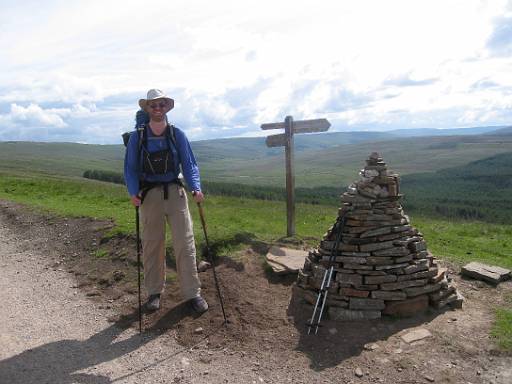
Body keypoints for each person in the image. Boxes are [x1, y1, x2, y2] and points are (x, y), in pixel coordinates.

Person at [124, 88, 208, 314]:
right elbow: (130, 168)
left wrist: (196, 188)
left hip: (175, 192)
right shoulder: (137, 137)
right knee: (152, 244)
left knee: (185, 243)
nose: (157, 109)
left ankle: (193, 293)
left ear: (166, 107)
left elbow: (189, 164)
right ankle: (154, 293)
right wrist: (133, 192)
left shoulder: (176, 134)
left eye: (161, 105)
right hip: (149, 195)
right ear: (147, 109)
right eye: (153, 105)